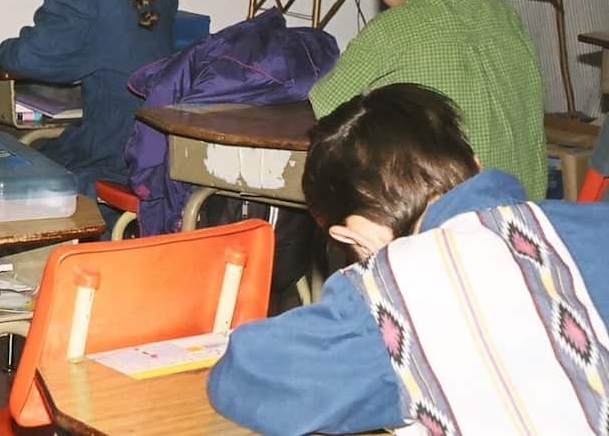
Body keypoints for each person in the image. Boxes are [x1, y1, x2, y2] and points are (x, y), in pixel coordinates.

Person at [207, 83, 609, 435]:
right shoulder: (594, 227)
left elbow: (249, 375)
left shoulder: (387, 297)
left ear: (351, 234)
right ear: (475, 163)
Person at [308, 0, 547, 199]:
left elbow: (326, 106)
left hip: (450, 216)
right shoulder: (503, 15)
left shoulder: (392, 28)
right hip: (524, 206)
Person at [0, 0, 178, 211]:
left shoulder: (83, 4)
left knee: (8, 163)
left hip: (109, 151)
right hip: (156, 150)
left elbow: (26, 57)